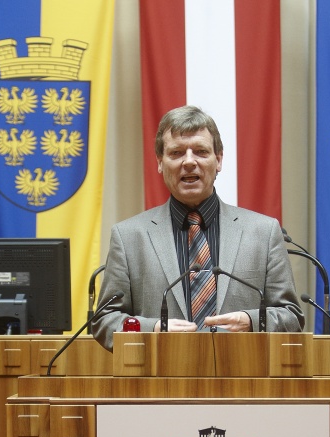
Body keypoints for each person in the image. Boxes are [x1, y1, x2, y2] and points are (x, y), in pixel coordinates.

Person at [91, 105, 304, 351]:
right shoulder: (128, 237)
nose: (189, 161)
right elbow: (105, 322)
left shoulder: (264, 232)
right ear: (160, 163)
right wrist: (153, 329)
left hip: (244, 381)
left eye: (201, 152)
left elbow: (291, 317)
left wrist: (252, 321)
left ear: (219, 160)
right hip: (158, 383)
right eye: (176, 153)